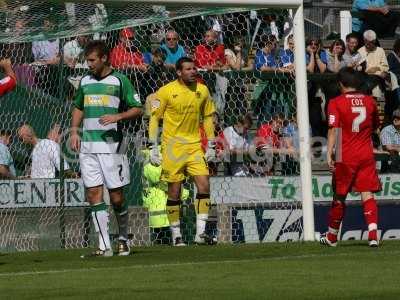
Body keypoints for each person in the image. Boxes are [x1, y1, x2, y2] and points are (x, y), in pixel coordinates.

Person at [70, 40, 143, 256]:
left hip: (113, 147)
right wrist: (74, 131)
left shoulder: (120, 80)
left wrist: (118, 116)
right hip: (89, 146)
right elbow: (78, 106)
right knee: (93, 193)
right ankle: (104, 246)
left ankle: (123, 238)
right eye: (87, 60)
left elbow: (138, 108)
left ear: (104, 58)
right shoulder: (84, 81)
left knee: (117, 197)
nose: (89, 64)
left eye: (92, 60)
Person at [148, 57, 216, 246]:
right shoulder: (166, 91)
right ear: (179, 72)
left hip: (195, 146)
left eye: (194, 68)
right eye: (188, 69)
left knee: (204, 185)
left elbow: (208, 117)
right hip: (172, 148)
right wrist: (153, 146)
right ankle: (176, 235)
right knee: (174, 192)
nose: (193, 71)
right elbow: (154, 119)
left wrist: (211, 144)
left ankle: (200, 234)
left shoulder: (202, 90)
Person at [320, 67, 381, 247]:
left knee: (339, 195)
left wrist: (330, 153)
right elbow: (375, 125)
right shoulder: (370, 101)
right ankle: (373, 235)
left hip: (345, 153)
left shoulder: (336, 102)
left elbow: (333, 129)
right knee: (367, 192)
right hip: (365, 153)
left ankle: (331, 237)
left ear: (341, 84)